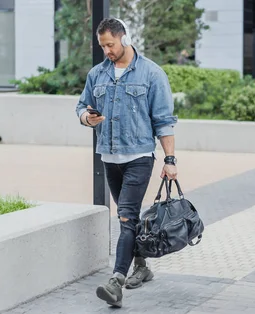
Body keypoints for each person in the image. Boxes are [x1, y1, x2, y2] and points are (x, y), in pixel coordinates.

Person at [75, 17, 178, 308]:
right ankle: (142, 266)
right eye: (102, 46)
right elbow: (82, 106)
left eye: (110, 44)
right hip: (109, 157)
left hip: (139, 157)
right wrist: (87, 118)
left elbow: (164, 121)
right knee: (128, 217)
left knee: (126, 217)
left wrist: (170, 159)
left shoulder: (151, 74)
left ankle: (116, 281)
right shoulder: (97, 74)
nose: (106, 50)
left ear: (124, 38)